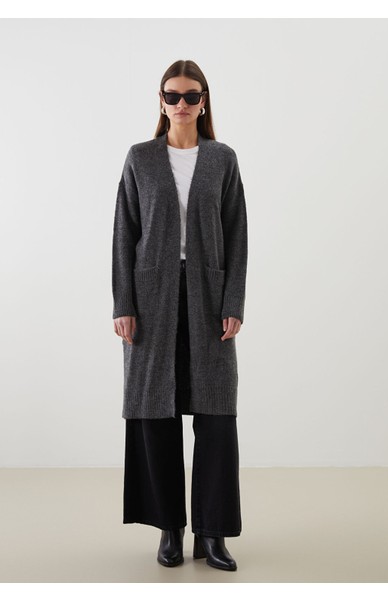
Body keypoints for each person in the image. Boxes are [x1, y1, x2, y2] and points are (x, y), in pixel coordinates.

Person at [112, 59, 248, 572]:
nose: (182, 104)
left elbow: (237, 234)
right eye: (173, 95)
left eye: (192, 95)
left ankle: (212, 533)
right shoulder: (141, 158)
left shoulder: (222, 158)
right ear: (161, 101)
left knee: (216, 417)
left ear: (204, 101)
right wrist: (124, 304)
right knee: (156, 414)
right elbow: (124, 233)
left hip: (209, 298)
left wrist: (233, 302)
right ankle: (170, 528)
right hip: (152, 300)